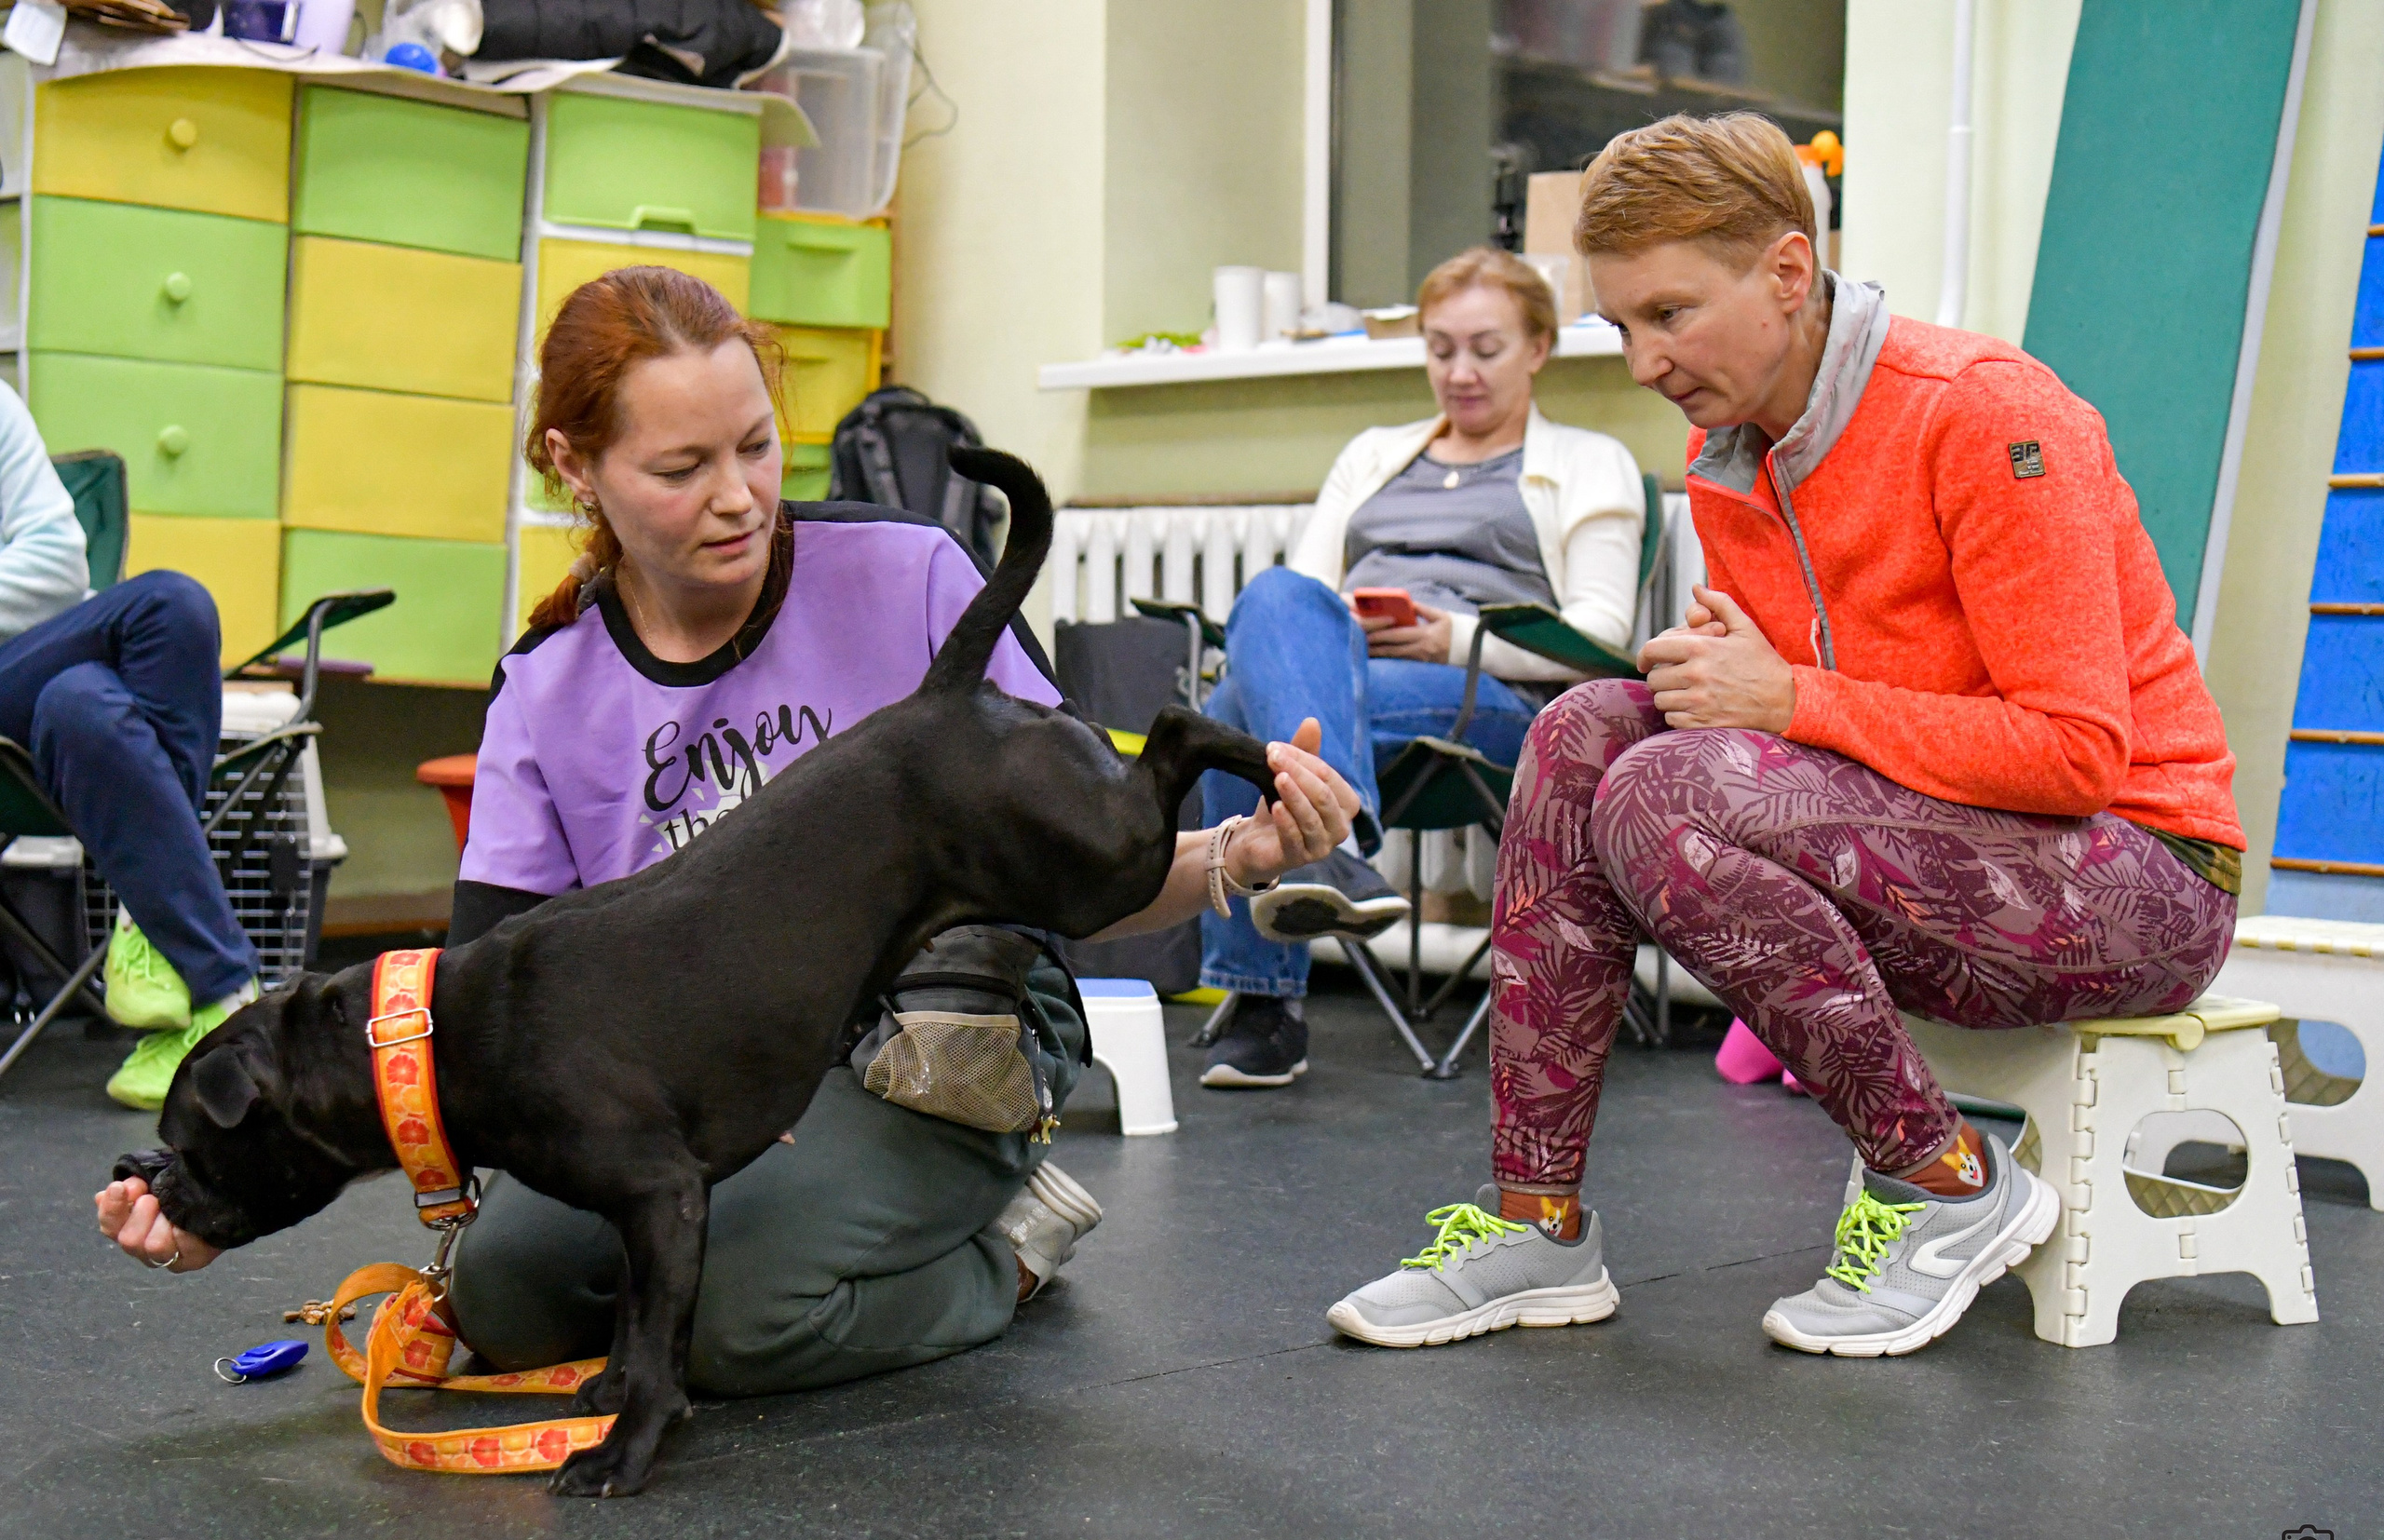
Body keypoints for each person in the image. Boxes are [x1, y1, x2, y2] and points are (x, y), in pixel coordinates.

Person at [97, 266, 1363, 1392]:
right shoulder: (548, 683)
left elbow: (1078, 871)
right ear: (573, 466)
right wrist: (222, 1194)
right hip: (686, 1081)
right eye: (681, 467)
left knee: (725, 1320)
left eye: (756, 448)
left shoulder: (912, 576)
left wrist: (1227, 860)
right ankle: (798, 1222)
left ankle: (1005, 1255)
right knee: (513, 1299)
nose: (739, 497)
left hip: (941, 1042)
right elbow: (471, 1046)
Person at [1328, 113, 2244, 1358]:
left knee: (1665, 790)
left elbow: (2077, 753)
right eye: (1619, 327)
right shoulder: (1730, 454)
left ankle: (1946, 1180)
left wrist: (1788, 699)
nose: (1644, 362)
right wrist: (1748, 677)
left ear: (1786, 274)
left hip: (2140, 875)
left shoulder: (1988, 417)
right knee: (1585, 730)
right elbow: (1829, 716)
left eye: (1670, 315)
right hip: (1946, 850)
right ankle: (1538, 1222)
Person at [1195, 247, 1646, 1089]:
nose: (1460, 372)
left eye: (1486, 348)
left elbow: (1602, 633)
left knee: (1231, 714)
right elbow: (1305, 592)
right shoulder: (1373, 453)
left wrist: (1455, 637)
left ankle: (1267, 1000)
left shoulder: (1591, 461)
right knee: (1273, 602)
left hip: (1493, 697)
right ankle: (1334, 852)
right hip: (1347, 676)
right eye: (1441, 349)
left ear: (1539, 347)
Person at [0, 385, 261, 1108]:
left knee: (83, 703)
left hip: (31, 682)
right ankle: (224, 986)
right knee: (164, 602)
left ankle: (171, 949)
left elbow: (59, 571)